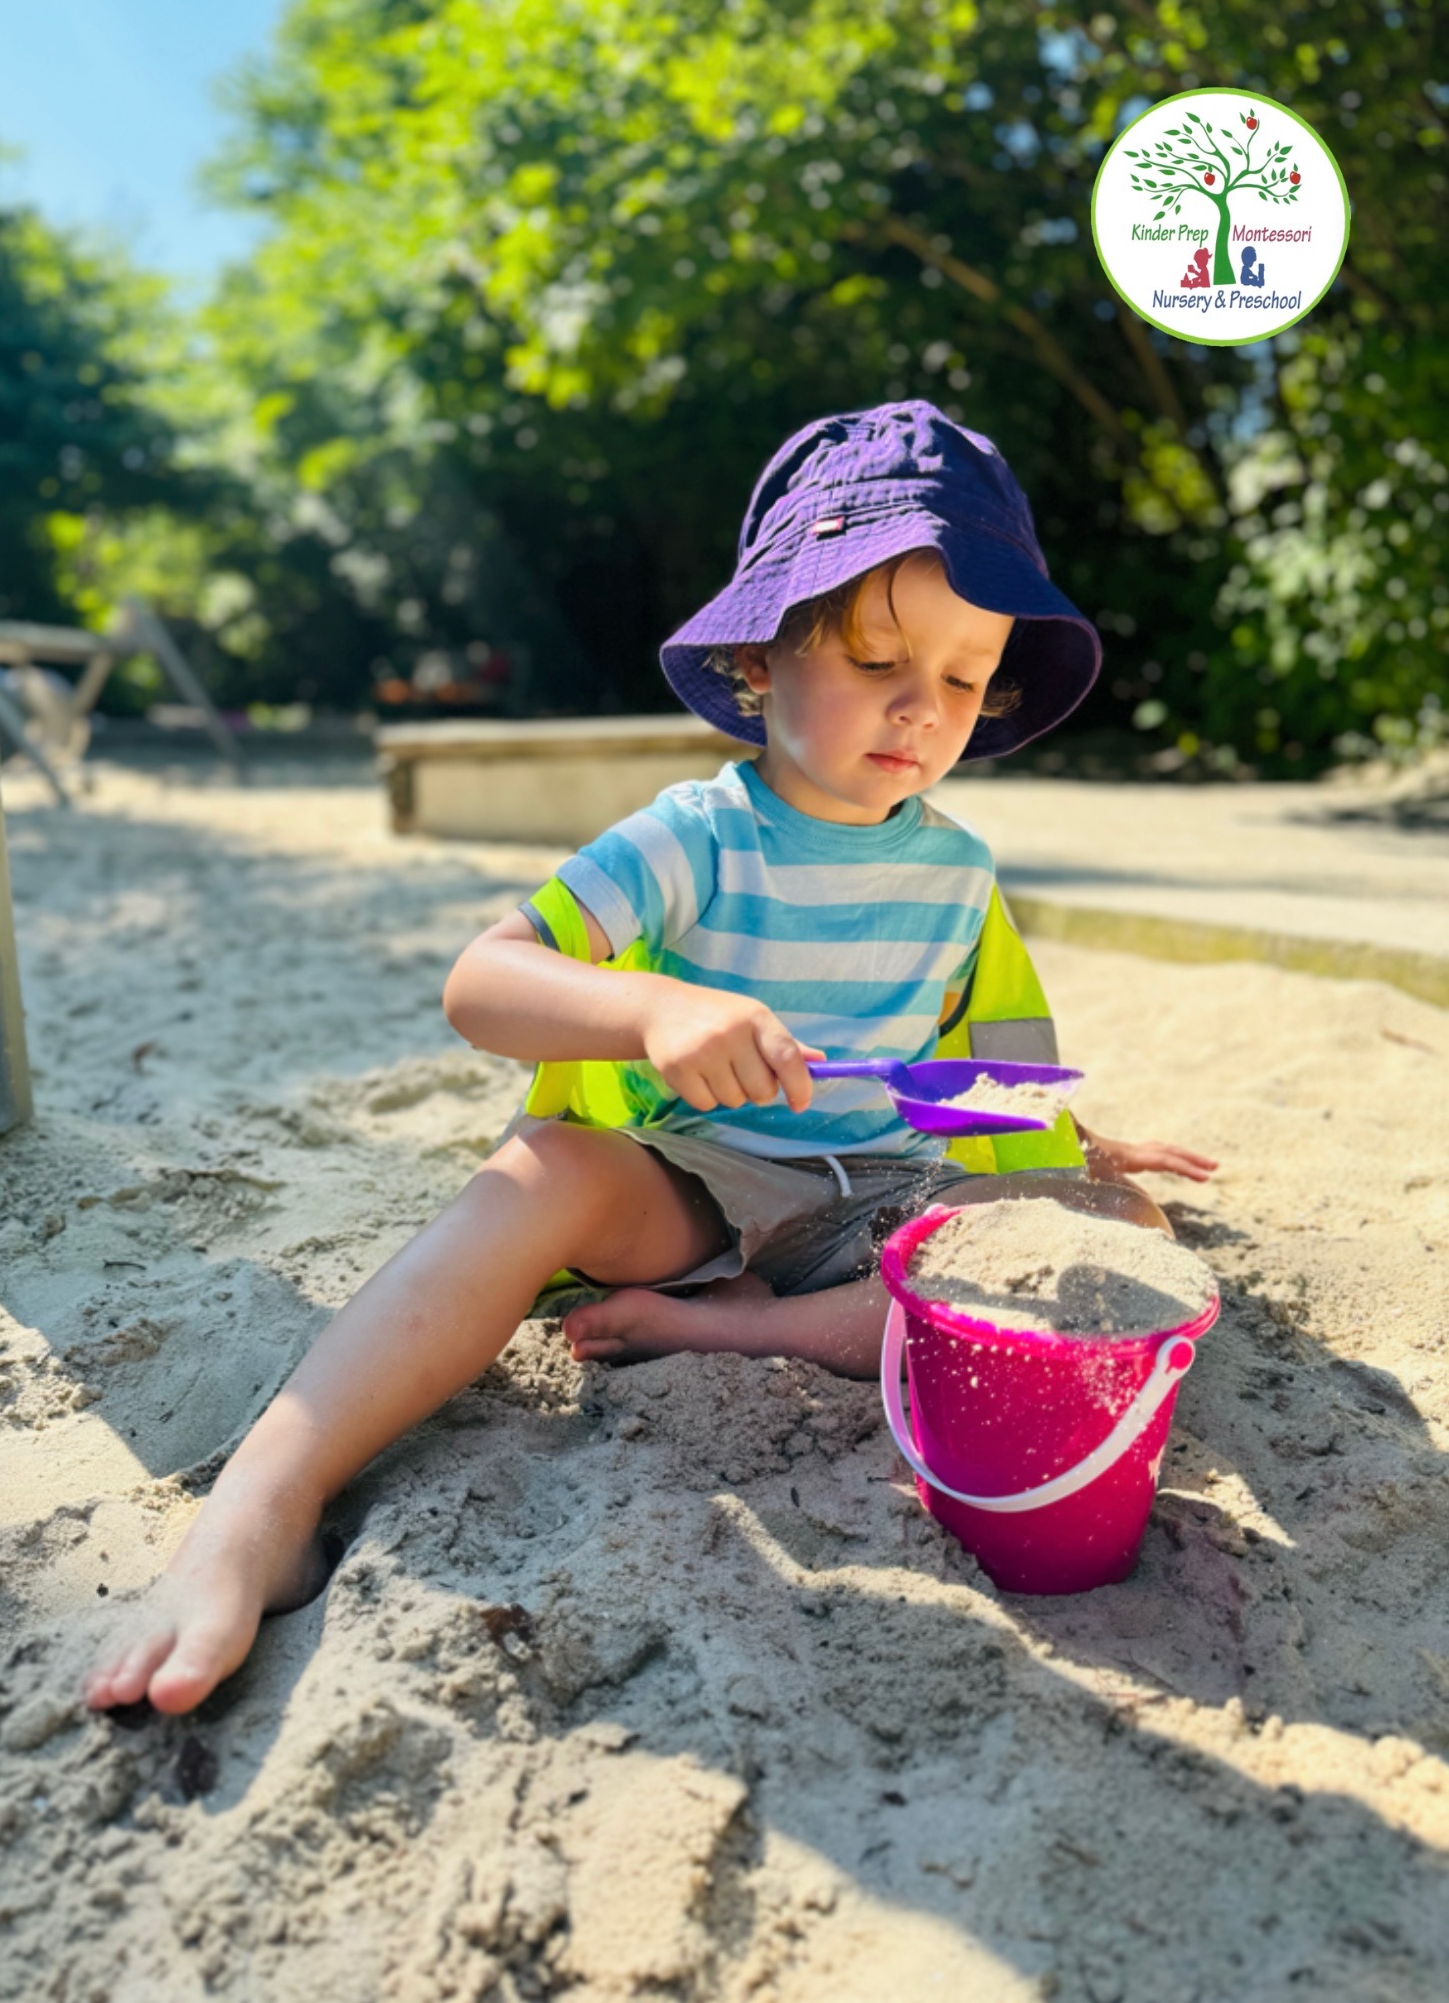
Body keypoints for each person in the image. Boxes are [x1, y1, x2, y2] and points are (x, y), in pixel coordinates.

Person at [84, 401, 1215, 1718]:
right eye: (873, 657)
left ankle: (734, 1328)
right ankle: (266, 1498)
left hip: (880, 1203)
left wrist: (1067, 1148)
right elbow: (482, 982)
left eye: (963, 678)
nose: (919, 709)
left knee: (1100, 1229)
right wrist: (645, 1017)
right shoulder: (694, 838)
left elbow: (989, 1062)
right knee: (543, 1168)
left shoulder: (957, 872)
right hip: (697, 1184)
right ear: (760, 660)